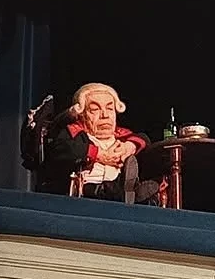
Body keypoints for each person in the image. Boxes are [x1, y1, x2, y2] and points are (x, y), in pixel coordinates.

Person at [21, 82, 163, 204]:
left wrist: (129, 147)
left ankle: (132, 191)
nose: (105, 115)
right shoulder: (73, 133)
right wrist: (98, 154)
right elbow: (65, 149)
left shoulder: (122, 137)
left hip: (119, 185)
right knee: (104, 190)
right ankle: (128, 193)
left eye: (110, 109)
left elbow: (143, 139)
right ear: (82, 115)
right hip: (86, 191)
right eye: (95, 109)